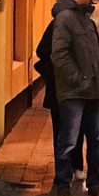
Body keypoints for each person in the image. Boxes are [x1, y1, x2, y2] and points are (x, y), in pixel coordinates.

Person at [50, 0, 99, 196]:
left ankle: (94, 185)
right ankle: (62, 186)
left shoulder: (87, 20)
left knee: (97, 140)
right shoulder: (65, 18)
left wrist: (98, 78)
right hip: (74, 92)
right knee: (69, 141)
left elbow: (95, 51)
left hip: (92, 90)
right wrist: (79, 79)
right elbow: (59, 54)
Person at [34, 19, 85, 182]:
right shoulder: (57, 24)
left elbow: (96, 50)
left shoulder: (85, 24)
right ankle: (62, 171)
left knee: (78, 128)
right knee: (61, 131)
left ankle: (76, 165)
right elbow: (41, 50)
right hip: (58, 86)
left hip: (78, 87)